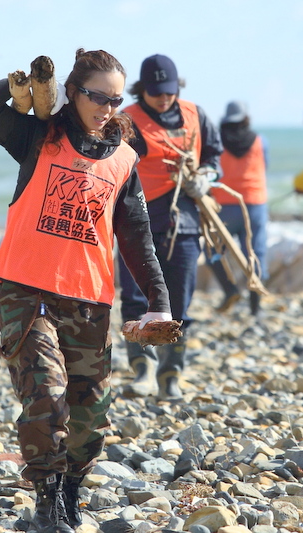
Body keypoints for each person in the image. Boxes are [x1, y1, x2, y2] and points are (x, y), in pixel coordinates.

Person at [0, 49, 172, 532]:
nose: (107, 108)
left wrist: (159, 304)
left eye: (115, 100)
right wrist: (23, 84)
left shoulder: (124, 160)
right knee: (46, 397)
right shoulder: (38, 136)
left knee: (90, 417)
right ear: (71, 92)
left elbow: (137, 238)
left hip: (88, 302)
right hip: (26, 294)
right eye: (97, 97)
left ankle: (69, 492)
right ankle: (45, 503)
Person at [118, 54, 222, 399]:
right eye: (156, 92)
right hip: (137, 223)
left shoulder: (196, 114)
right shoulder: (126, 121)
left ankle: (170, 374)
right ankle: (142, 369)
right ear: (142, 89)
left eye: (170, 91)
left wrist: (206, 177)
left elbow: (214, 156)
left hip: (185, 223)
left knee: (179, 303)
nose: (164, 98)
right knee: (136, 298)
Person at [208, 100, 269, 315]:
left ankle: (230, 289)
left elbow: (210, 171)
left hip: (224, 206)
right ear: (245, 118)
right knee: (255, 254)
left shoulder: (216, 141)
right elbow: (265, 166)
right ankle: (255, 309)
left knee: (213, 251)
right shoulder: (260, 141)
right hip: (254, 205)